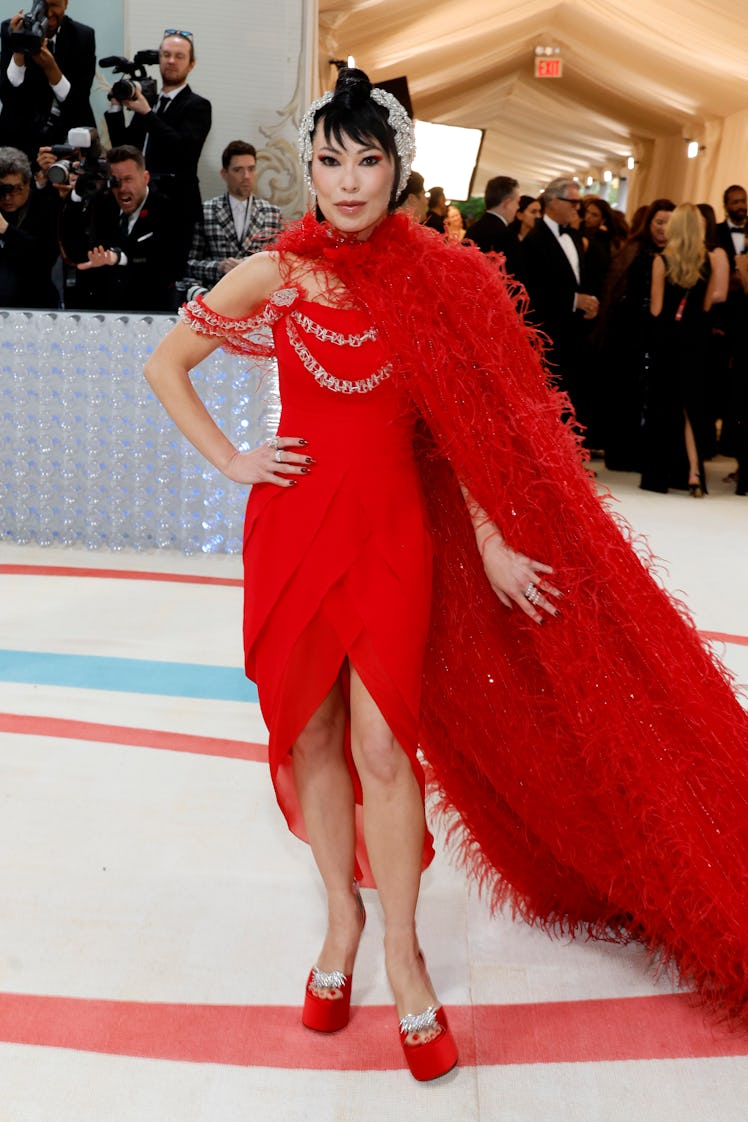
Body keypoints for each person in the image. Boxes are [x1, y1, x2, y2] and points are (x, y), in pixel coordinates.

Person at [144, 69, 748, 1082]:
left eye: (366, 160)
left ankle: (401, 952)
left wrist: (497, 539)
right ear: (312, 167)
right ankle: (339, 927)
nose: (344, 183)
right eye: (328, 161)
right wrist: (236, 460)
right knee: (314, 729)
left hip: (390, 533)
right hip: (293, 529)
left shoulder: (439, 281)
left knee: (387, 744)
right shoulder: (273, 276)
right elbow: (165, 365)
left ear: (398, 169)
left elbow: (465, 433)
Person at [105, 29, 212, 270]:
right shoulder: (148, 101)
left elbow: (184, 150)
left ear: (191, 64)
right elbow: (125, 149)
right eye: (166, 55)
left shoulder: (198, 106)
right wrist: (115, 107)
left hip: (177, 208)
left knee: (167, 278)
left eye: (179, 56)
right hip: (141, 202)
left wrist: (147, 113)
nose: (171, 61)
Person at [641, 203, 722, 495]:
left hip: (667, 341)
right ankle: (693, 472)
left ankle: (659, 477)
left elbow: (657, 308)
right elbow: (706, 306)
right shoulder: (709, 262)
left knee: (664, 407)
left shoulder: (662, 261)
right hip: (697, 341)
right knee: (691, 409)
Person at [595, 197, 675, 471]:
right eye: (659, 222)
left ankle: (645, 453)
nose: (663, 229)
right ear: (649, 222)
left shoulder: (677, 253)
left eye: (669, 223)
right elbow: (613, 289)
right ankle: (621, 452)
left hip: (660, 330)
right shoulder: (634, 248)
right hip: (628, 330)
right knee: (626, 390)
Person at [59, 143, 182, 311]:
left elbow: (168, 265)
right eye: (116, 181)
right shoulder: (102, 204)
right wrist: (77, 196)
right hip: (100, 312)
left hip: (148, 311)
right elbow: (73, 249)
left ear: (145, 178)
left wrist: (119, 258)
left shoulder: (168, 210)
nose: (122, 189)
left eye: (128, 179)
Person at [0, 0, 95, 161]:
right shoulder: (12, 29)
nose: (49, 13)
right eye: (44, 5)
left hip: (65, 136)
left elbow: (79, 102)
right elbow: (8, 96)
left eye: (54, 5)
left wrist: (52, 70)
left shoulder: (82, 37)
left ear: (66, 3)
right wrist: (19, 49)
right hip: (20, 135)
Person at [185, 140, 282, 293]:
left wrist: (248, 265)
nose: (246, 176)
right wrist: (219, 267)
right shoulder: (206, 211)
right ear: (224, 173)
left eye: (251, 169)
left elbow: (280, 264)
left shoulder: (272, 214)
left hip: (257, 298)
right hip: (218, 296)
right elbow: (189, 265)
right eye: (238, 170)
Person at [0, 143, 59, 305]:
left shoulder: (44, 206)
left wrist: (6, 230)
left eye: (15, 189)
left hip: (35, 303)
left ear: (27, 183)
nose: (7, 198)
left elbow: (44, 257)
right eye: (2, 190)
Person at [466, 175, 520, 273]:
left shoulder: (472, 229)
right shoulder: (507, 236)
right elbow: (513, 277)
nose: (518, 207)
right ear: (506, 203)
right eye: (517, 202)